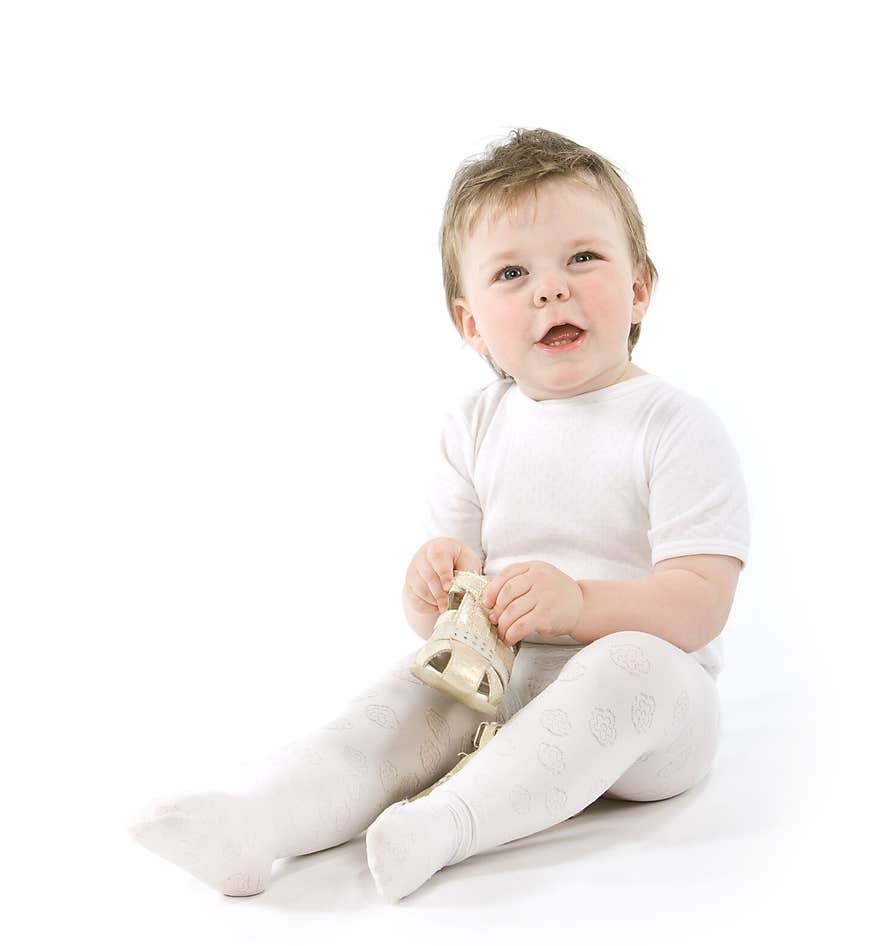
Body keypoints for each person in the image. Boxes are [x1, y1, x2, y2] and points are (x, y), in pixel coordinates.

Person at [131, 127, 749, 903]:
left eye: (582, 258)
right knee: (402, 700)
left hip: (655, 716)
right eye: (512, 272)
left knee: (633, 666)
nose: (549, 289)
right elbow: (454, 600)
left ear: (639, 288)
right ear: (469, 323)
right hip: (507, 676)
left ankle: (448, 822)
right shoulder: (477, 426)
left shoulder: (674, 425)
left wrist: (583, 604)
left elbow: (700, 603)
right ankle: (263, 822)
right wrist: (429, 589)